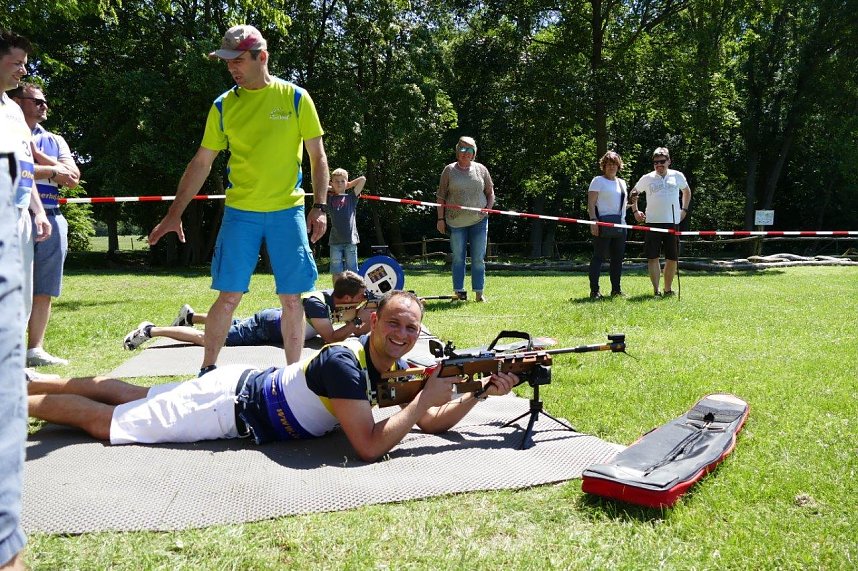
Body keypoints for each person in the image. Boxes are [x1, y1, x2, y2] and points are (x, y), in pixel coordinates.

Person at [27, 291, 519, 462]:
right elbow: (369, 446)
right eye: (394, 324)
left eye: (412, 328)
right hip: (225, 408)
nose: (403, 335)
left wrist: (475, 391)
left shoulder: (395, 365)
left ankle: (24, 384)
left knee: (134, 394)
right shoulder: (346, 363)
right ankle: (17, 400)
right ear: (372, 322)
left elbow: (430, 423)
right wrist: (423, 399)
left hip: (237, 384)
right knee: (112, 424)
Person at [147, 24, 330, 373]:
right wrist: (174, 213)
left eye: (238, 60)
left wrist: (319, 207)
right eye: (227, 61)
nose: (231, 68)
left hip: (287, 212)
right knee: (229, 296)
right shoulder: (223, 105)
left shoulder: (295, 97)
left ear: (262, 57)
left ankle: (292, 376)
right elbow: (202, 162)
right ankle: (207, 371)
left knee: (292, 299)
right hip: (240, 213)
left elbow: (317, 157)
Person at [10, 81, 81, 367]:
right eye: (37, 101)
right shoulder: (7, 131)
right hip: (15, 216)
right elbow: (12, 167)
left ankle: (35, 349)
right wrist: (53, 170)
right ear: (17, 101)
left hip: (52, 216)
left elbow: (73, 177)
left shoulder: (54, 139)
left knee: (45, 287)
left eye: (45, 101)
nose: (43, 106)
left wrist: (38, 159)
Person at [123, 271, 373, 349]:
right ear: (348, 297)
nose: (363, 301)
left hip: (270, 321)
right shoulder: (317, 303)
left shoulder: (331, 299)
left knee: (229, 324)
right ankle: (150, 330)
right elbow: (329, 337)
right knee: (208, 338)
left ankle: (189, 316)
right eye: (360, 298)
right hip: (267, 328)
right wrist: (357, 325)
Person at [0, 30, 28, 571]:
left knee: (10, 381)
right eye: (17, 63)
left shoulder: (11, 113)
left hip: (17, 219)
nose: (24, 72)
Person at [436, 136, 494, 302]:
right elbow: (441, 197)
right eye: (462, 149)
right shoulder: (449, 170)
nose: (465, 153)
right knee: (458, 258)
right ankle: (459, 293)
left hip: (479, 221)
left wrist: (488, 209)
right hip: (455, 222)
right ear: (457, 151)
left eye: (469, 150)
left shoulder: (481, 170)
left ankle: (479, 293)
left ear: (474, 153)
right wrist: (440, 219)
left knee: (478, 259)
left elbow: (490, 193)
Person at [631, 147, 692, 297]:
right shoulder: (647, 178)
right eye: (656, 162)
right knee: (653, 257)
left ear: (669, 161)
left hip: (672, 222)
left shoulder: (677, 176)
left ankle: (668, 289)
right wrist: (635, 211)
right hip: (652, 223)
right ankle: (656, 291)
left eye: (662, 161)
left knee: (672, 258)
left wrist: (684, 210)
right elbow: (634, 193)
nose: (659, 165)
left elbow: (687, 191)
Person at [587, 151, 630, 299]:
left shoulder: (622, 183)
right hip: (602, 223)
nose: (611, 167)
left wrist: (634, 206)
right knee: (598, 257)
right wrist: (593, 220)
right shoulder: (597, 181)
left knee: (617, 259)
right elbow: (591, 203)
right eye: (609, 164)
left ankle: (616, 290)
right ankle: (594, 291)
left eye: (614, 164)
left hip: (621, 225)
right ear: (603, 166)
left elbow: (622, 206)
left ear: (619, 166)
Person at [327, 168, 366, 275]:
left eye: (342, 181)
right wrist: (332, 188)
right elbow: (320, 187)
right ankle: (337, 291)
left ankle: (353, 292)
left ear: (347, 182)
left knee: (352, 270)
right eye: (336, 181)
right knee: (336, 271)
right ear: (332, 183)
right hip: (335, 241)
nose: (339, 183)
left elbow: (362, 179)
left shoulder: (351, 197)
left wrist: (348, 185)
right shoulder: (329, 199)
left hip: (351, 240)